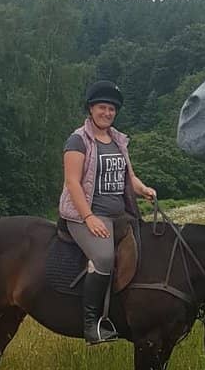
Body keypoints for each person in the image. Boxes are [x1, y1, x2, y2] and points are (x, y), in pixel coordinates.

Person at [59, 80, 156, 343]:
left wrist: (144, 189)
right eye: (102, 107)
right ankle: (92, 324)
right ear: (91, 109)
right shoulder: (78, 140)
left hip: (119, 215)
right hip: (85, 215)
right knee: (103, 258)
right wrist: (88, 217)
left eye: (112, 109)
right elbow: (72, 183)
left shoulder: (118, 140)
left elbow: (128, 177)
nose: (107, 113)